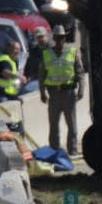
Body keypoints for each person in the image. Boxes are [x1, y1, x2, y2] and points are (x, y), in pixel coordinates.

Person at [40, 24, 85, 155]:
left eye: (62, 37)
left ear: (65, 38)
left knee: (72, 125)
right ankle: (54, 151)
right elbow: (41, 75)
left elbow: (80, 72)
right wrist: (42, 92)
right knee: (54, 125)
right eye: (57, 37)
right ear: (54, 38)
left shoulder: (72, 52)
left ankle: (72, 150)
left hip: (69, 93)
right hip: (54, 94)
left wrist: (81, 89)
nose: (60, 40)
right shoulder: (46, 54)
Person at [21, 26, 50, 95]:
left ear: (46, 36)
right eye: (38, 37)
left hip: (49, 81)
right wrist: (24, 78)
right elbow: (28, 67)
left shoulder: (52, 50)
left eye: (42, 36)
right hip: (35, 79)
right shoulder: (33, 51)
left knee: (26, 90)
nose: (40, 39)